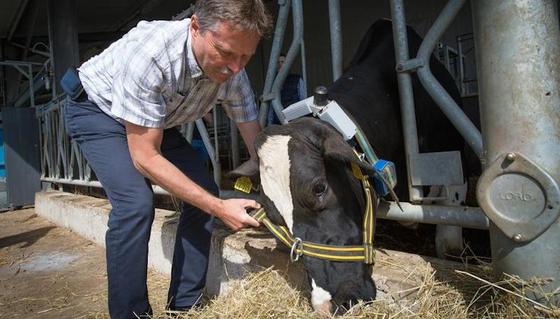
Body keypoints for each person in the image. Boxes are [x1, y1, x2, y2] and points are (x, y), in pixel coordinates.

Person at [61, 1, 271, 318]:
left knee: (204, 191)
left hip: (155, 120)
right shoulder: (152, 56)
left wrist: (272, 179)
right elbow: (145, 157)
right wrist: (218, 208)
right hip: (99, 111)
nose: (235, 67)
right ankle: (130, 313)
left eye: (246, 57)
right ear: (195, 26)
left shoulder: (234, 72)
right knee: (135, 203)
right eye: (226, 52)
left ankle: (185, 305)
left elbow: (254, 139)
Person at [267, 54, 306, 125]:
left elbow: (303, 100)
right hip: (278, 123)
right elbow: (271, 108)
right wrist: (270, 124)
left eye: (282, 62)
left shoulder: (297, 79)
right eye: (278, 62)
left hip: (295, 122)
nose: (280, 64)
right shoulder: (271, 83)